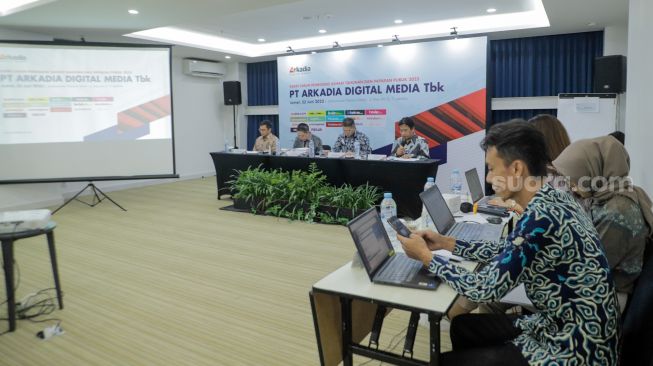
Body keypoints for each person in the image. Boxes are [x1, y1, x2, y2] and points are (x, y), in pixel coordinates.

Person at [398, 121, 619, 365]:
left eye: (492, 169)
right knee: (462, 327)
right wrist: (447, 243)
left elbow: (483, 288)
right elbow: (509, 250)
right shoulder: (554, 198)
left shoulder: (540, 217)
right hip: (562, 324)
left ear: (516, 169)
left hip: (573, 348)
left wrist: (426, 257)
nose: (490, 178)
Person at [553, 135, 653, 311]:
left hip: (604, 300)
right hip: (593, 289)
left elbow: (586, 268)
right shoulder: (603, 197)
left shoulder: (617, 212)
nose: (571, 186)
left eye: (573, 179)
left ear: (593, 173)